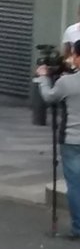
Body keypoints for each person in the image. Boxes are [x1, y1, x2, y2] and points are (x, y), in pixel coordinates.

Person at [36, 43, 80, 237]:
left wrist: (44, 78)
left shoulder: (66, 82)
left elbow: (49, 97)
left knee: (75, 185)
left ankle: (78, 226)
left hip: (71, 139)